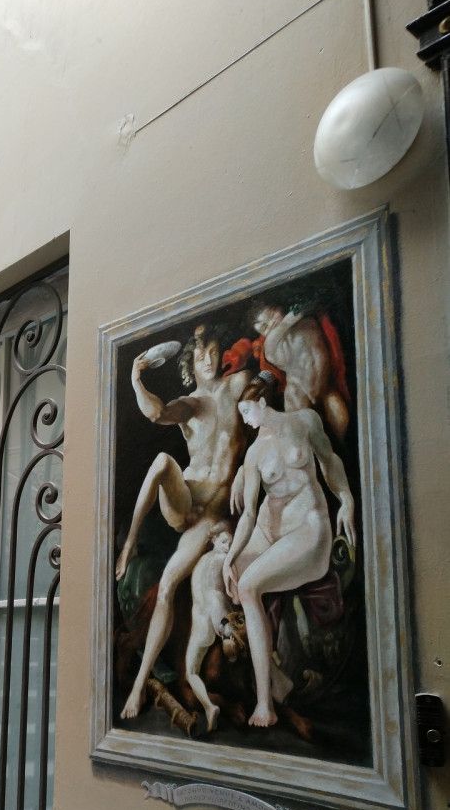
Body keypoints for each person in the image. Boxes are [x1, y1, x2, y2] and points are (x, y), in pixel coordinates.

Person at [117, 322, 250, 720]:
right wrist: (136, 379)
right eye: (200, 355)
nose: (207, 359)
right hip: (185, 501)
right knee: (162, 462)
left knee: (170, 583)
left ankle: (145, 686)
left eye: (213, 351)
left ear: (221, 354)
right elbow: (156, 413)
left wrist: (248, 469)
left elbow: (267, 392)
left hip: (213, 515)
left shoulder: (238, 385)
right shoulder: (189, 404)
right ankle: (129, 544)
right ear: (191, 363)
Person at [222, 374, 356, 727]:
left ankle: (264, 704)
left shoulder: (304, 422)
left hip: (309, 529)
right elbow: (250, 514)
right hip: (269, 530)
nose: (245, 420)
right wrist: (231, 556)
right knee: (231, 578)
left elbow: (329, 461)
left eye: (247, 411)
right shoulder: (254, 454)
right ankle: (278, 678)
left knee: (249, 587)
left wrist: (345, 499)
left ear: (263, 402)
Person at [250, 303, 350, 439]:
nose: (271, 325)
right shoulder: (271, 347)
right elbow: (283, 326)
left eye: (271, 316)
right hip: (298, 393)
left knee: (342, 422)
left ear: (278, 309)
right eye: (264, 327)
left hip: (324, 387)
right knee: (301, 435)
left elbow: (304, 308)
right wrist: (286, 320)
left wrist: (295, 314)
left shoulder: (309, 323)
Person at [184, 522, 233, 733]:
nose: (227, 547)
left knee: (191, 672)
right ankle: (210, 707)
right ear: (214, 540)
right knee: (191, 671)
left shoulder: (201, 561)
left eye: (230, 543)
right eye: (224, 542)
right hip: (215, 614)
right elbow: (224, 593)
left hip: (200, 621)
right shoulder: (222, 560)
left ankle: (209, 706)